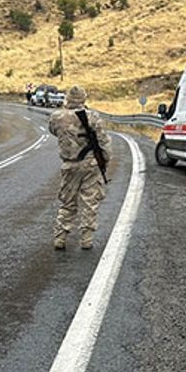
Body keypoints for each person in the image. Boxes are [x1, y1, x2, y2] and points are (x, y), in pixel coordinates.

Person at [48, 86, 111, 251]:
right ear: (84, 99)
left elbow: (54, 131)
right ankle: (86, 239)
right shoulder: (93, 117)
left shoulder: (56, 117)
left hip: (69, 164)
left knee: (68, 203)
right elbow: (103, 141)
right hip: (90, 164)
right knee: (90, 202)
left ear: (67, 98)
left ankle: (60, 237)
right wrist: (105, 159)